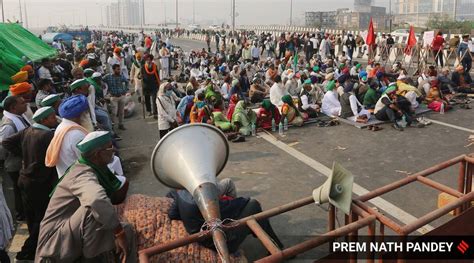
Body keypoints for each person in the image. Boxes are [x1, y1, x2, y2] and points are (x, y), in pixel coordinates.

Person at [36, 131, 134, 262]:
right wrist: (118, 232)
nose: (114, 150)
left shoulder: (95, 168)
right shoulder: (82, 174)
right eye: (110, 147)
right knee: (93, 209)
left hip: (69, 232)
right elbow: (96, 200)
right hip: (54, 245)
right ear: (98, 154)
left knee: (127, 229)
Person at [167, 178, 283, 253]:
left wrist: (189, 216)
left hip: (203, 235)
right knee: (254, 205)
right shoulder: (206, 204)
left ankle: (271, 242)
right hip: (221, 242)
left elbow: (172, 214)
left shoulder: (180, 193)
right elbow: (240, 203)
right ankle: (276, 247)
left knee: (255, 215)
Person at [2, 107, 58, 261]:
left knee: (31, 216)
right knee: (41, 218)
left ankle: (33, 247)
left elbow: (7, 142)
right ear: (44, 120)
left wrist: (24, 155)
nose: (55, 119)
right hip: (40, 183)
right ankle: (27, 251)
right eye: (52, 117)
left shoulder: (27, 130)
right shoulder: (48, 135)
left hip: (25, 179)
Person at [0, 96, 29, 221]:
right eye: (22, 103)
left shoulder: (19, 117)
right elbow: (3, 146)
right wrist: (20, 153)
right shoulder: (8, 125)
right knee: (19, 189)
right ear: (13, 107)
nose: (26, 104)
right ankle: (21, 214)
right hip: (15, 164)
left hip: (20, 161)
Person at [103, 64, 129, 130]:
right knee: (114, 113)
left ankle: (121, 124)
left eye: (119, 69)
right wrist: (103, 86)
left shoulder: (121, 76)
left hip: (121, 96)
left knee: (121, 112)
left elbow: (126, 82)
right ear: (113, 70)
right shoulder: (108, 77)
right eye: (118, 69)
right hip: (113, 97)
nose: (119, 70)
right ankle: (112, 126)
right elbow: (101, 80)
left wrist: (125, 90)